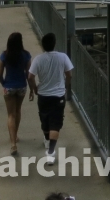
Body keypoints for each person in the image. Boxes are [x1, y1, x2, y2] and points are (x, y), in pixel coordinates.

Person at [28, 32, 74, 162]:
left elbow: (30, 77)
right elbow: (69, 74)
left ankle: (48, 141)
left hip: (43, 95)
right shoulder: (63, 57)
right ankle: (50, 152)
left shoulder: (38, 59)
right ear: (54, 44)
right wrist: (65, 86)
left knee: (45, 121)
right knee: (55, 123)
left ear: (43, 45)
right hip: (58, 95)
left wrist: (34, 88)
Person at [0, 32, 31, 155]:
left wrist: (4, 84)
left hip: (9, 87)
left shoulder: (4, 55)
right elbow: (28, 74)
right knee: (18, 111)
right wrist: (32, 88)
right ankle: (15, 135)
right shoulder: (26, 55)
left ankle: (13, 144)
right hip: (21, 86)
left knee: (11, 115)